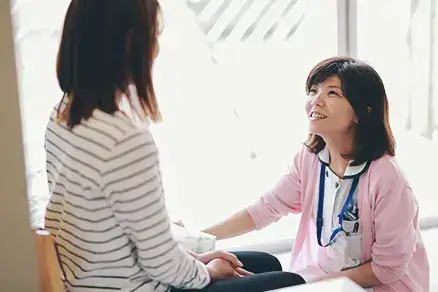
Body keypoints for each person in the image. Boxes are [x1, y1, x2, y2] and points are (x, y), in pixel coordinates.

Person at [43, 0, 304, 291]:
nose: (156, 49)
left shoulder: (62, 115)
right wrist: (206, 271)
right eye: (154, 35)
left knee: (264, 263)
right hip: (135, 286)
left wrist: (198, 260)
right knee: (291, 281)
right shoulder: (125, 140)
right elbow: (159, 262)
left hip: (90, 279)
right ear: (131, 44)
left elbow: (131, 236)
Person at [204, 57, 430, 291]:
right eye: (313, 91)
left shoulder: (388, 180)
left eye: (332, 93)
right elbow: (266, 209)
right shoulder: (310, 159)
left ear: (361, 112)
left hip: (372, 287)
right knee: (261, 267)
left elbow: (387, 269)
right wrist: (200, 237)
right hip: (322, 281)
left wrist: (306, 285)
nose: (315, 101)